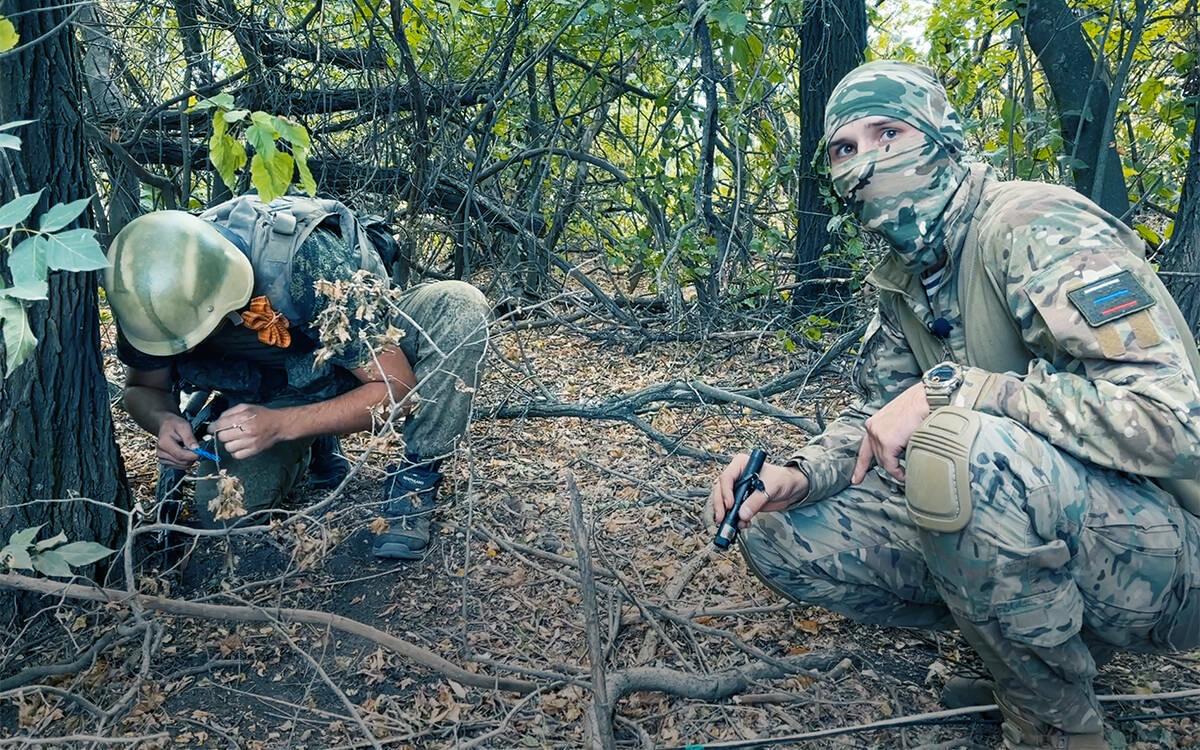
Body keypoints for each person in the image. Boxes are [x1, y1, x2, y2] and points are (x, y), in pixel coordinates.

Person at [710, 60, 1200, 750]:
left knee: (961, 451)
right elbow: (876, 416)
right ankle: (1021, 652)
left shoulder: (1035, 224)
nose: (866, 161)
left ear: (942, 135)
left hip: (1176, 550)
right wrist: (797, 473)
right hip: (1068, 521)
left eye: (888, 131)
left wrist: (959, 390)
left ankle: (1059, 730)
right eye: (844, 148)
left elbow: (1176, 420)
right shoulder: (909, 273)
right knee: (780, 528)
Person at [105, 194, 491, 560]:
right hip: (276, 389)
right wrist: (165, 420)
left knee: (460, 306)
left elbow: (397, 390)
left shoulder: (303, 260)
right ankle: (315, 444)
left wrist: (280, 426)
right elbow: (142, 388)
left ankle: (414, 479)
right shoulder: (146, 297)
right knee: (223, 512)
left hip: (368, 357)